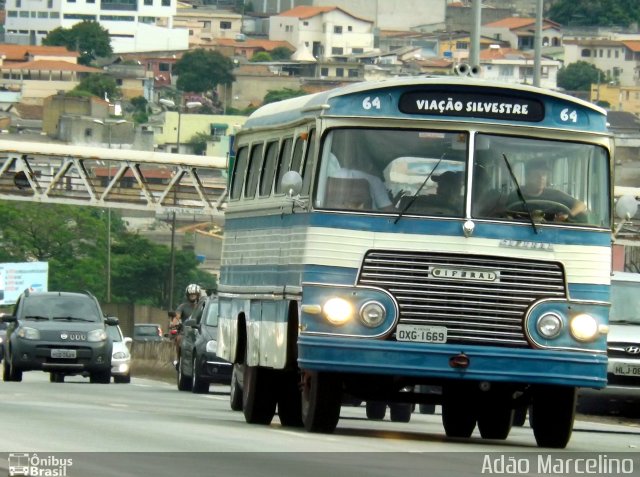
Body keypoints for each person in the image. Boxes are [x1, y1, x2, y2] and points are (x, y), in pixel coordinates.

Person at [509, 160, 587, 221]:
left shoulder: (555, 194)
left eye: (544, 174)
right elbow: (507, 217)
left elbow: (581, 205)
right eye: (536, 175)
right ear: (527, 176)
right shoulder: (515, 196)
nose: (541, 178)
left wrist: (567, 216)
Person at [171, 283, 201, 367]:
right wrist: (174, 323)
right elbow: (177, 317)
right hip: (185, 332)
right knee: (178, 338)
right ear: (187, 295)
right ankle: (178, 359)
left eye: (194, 294)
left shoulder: (202, 307)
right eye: (191, 295)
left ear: (198, 295)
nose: (192, 296)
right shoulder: (182, 306)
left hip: (199, 332)